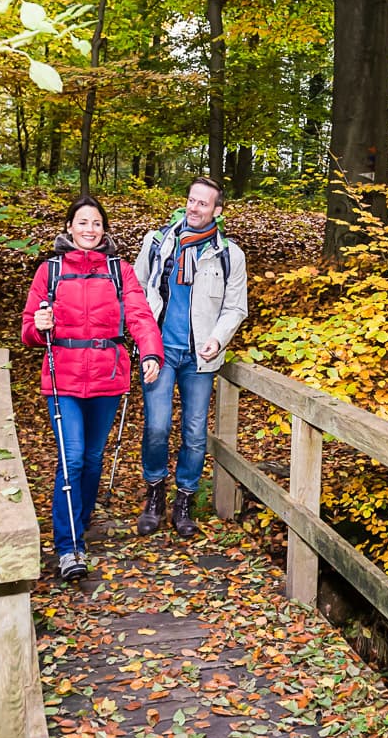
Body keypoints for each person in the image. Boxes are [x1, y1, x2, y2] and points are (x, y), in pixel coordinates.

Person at [22, 195, 164, 580]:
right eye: (82, 222)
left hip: (107, 377)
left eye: (96, 223)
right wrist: (40, 326)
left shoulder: (119, 271)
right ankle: (69, 547)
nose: (89, 229)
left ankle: (79, 519)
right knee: (73, 458)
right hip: (62, 379)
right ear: (69, 227)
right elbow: (28, 331)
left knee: (93, 457)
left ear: (104, 229)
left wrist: (151, 353)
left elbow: (139, 314)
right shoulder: (49, 271)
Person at [133, 176, 248, 538]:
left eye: (203, 203)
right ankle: (155, 494)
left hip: (200, 358)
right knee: (157, 426)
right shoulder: (157, 243)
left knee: (195, 432)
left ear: (217, 210)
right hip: (159, 351)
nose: (194, 208)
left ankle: (184, 502)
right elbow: (134, 293)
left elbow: (235, 307)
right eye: (191, 200)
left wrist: (217, 338)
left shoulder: (229, 254)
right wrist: (142, 338)